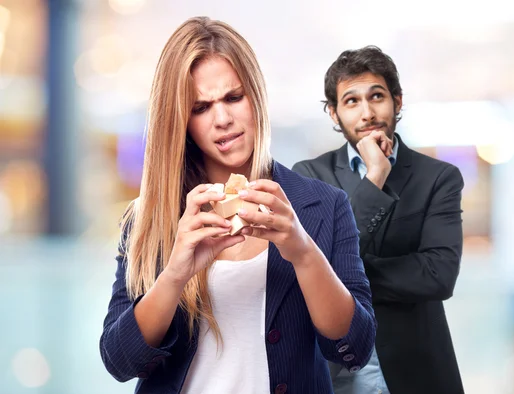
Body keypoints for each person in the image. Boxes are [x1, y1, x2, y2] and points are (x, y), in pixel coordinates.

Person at [99, 17, 376, 394]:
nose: (223, 119)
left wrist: (302, 251)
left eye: (233, 97)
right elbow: (119, 361)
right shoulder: (150, 219)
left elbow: (353, 350)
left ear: (256, 95)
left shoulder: (324, 207)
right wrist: (176, 274)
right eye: (200, 108)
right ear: (181, 121)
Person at [293, 46, 465, 394]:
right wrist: (375, 176)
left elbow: (438, 276)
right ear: (334, 113)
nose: (368, 112)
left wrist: (337, 278)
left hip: (416, 372)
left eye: (377, 96)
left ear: (397, 102)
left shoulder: (438, 178)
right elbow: (309, 268)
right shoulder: (309, 176)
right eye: (352, 101)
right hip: (333, 372)